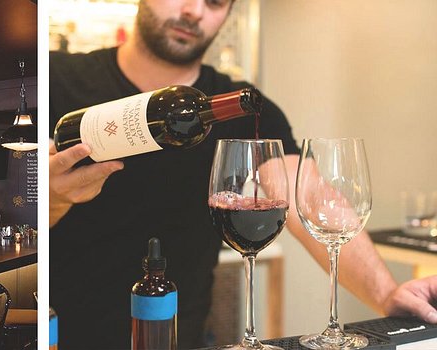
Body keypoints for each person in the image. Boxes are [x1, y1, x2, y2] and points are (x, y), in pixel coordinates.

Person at [49, 0, 437, 349]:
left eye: (215, 2)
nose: (194, 10)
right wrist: (55, 198)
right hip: (56, 334)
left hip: (182, 339)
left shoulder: (236, 107)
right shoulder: (56, 78)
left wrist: (388, 295)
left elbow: (314, 201)